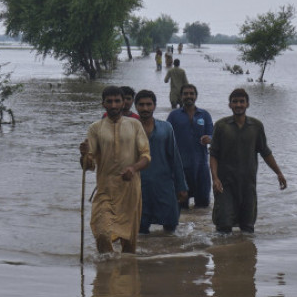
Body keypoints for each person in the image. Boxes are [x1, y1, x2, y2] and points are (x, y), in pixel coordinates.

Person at [80, 86, 151, 254]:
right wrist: (84, 155)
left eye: (117, 101)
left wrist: (133, 168)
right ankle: (106, 268)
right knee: (102, 233)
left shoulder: (135, 125)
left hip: (130, 190)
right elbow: (88, 165)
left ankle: (124, 275)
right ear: (103, 104)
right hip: (105, 189)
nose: (113, 105)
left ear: (123, 103)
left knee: (129, 244)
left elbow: (146, 156)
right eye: (109, 101)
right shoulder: (95, 128)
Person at [210, 87, 287, 234]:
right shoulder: (221, 126)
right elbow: (213, 154)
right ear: (229, 105)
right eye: (235, 102)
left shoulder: (256, 126)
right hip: (225, 184)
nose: (238, 105)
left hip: (247, 184)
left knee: (248, 227)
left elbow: (265, 152)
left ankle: (245, 255)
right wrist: (215, 178)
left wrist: (279, 173)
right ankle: (222, 254)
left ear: (247, 104)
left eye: (241, 102)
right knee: (223, 226)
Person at [134, 89, 187, 234]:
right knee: (140, 228)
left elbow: (175, 158)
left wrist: (181, 186)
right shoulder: (130, 129)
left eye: (148, 104)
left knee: (170, 226)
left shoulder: (166, 128)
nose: (145, 108)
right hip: (138, 185)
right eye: (141, 105)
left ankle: (167, 255)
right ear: (135, 106)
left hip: (164, 185)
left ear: (154, 106)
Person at [166, 84, 213, 210]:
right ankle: (182, 229)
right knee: (181, 207)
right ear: (181, 97)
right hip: (180, 168)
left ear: (196, 96)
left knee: (203, 206)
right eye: (185, 94)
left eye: (191, 93)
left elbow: (213, 136)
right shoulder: (174, 116)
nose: (189, 96)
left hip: (201, 167)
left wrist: (210, 139)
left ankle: (199, 229)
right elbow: (166, 137)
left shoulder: (204, 115)